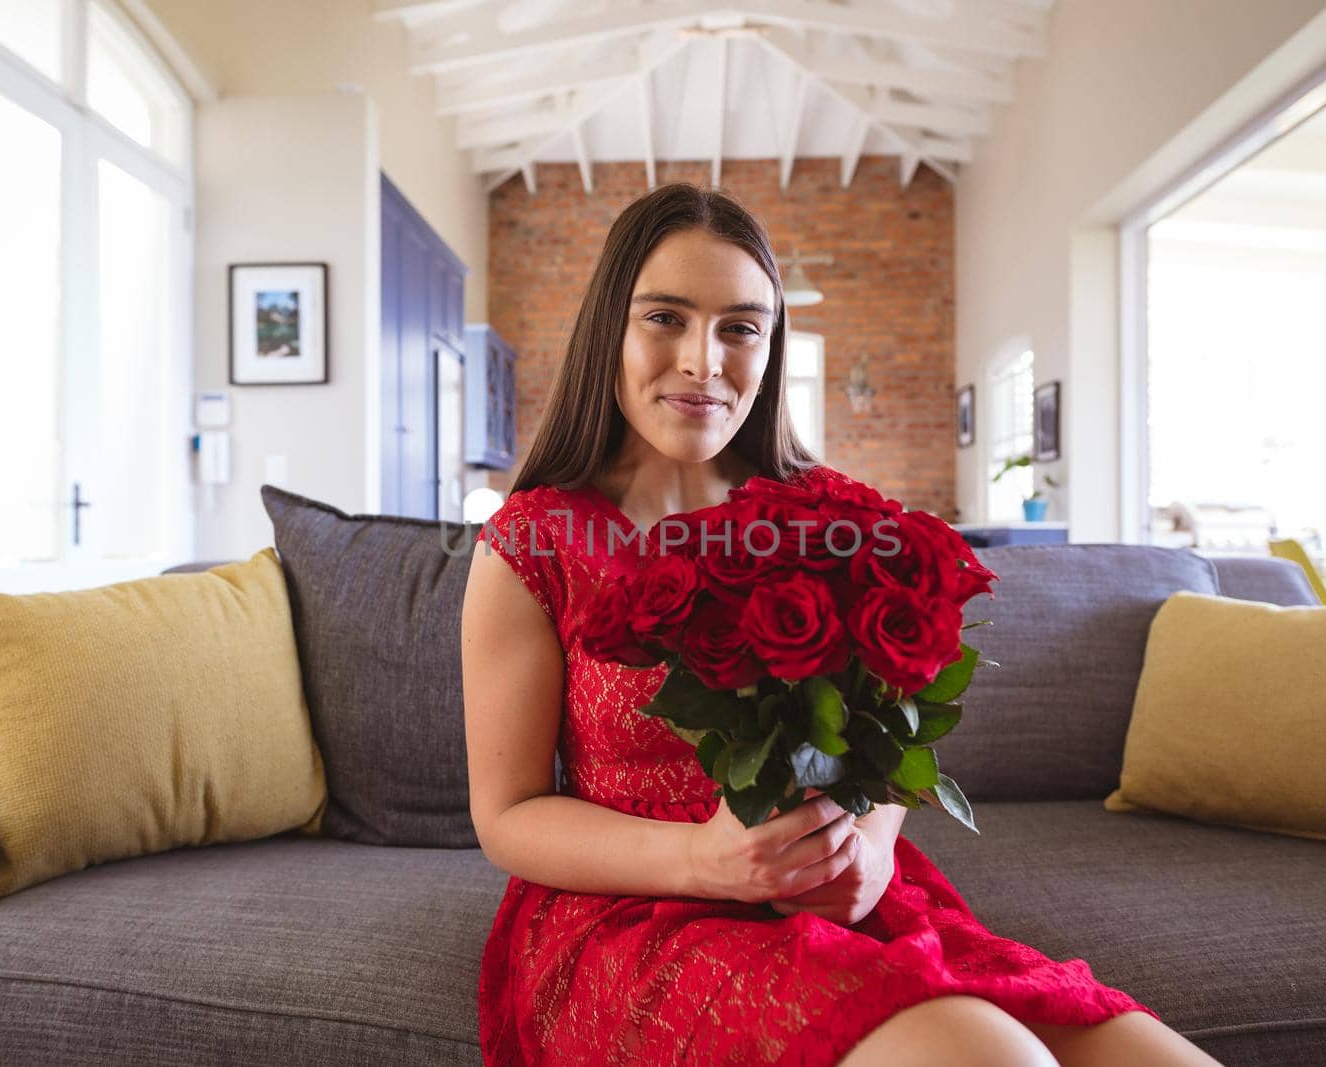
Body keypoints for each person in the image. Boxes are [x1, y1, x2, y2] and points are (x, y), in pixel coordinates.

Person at [460, 182, 1223, 1067]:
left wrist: (869, 849)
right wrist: (707, 861)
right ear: (610, 330)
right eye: (665, 316)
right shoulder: (533, 542)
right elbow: (508, 813)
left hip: (834, 900)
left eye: (740, 326)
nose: (705, 360)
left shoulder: (824, 520)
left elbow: (884, 743)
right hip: (632, 915)